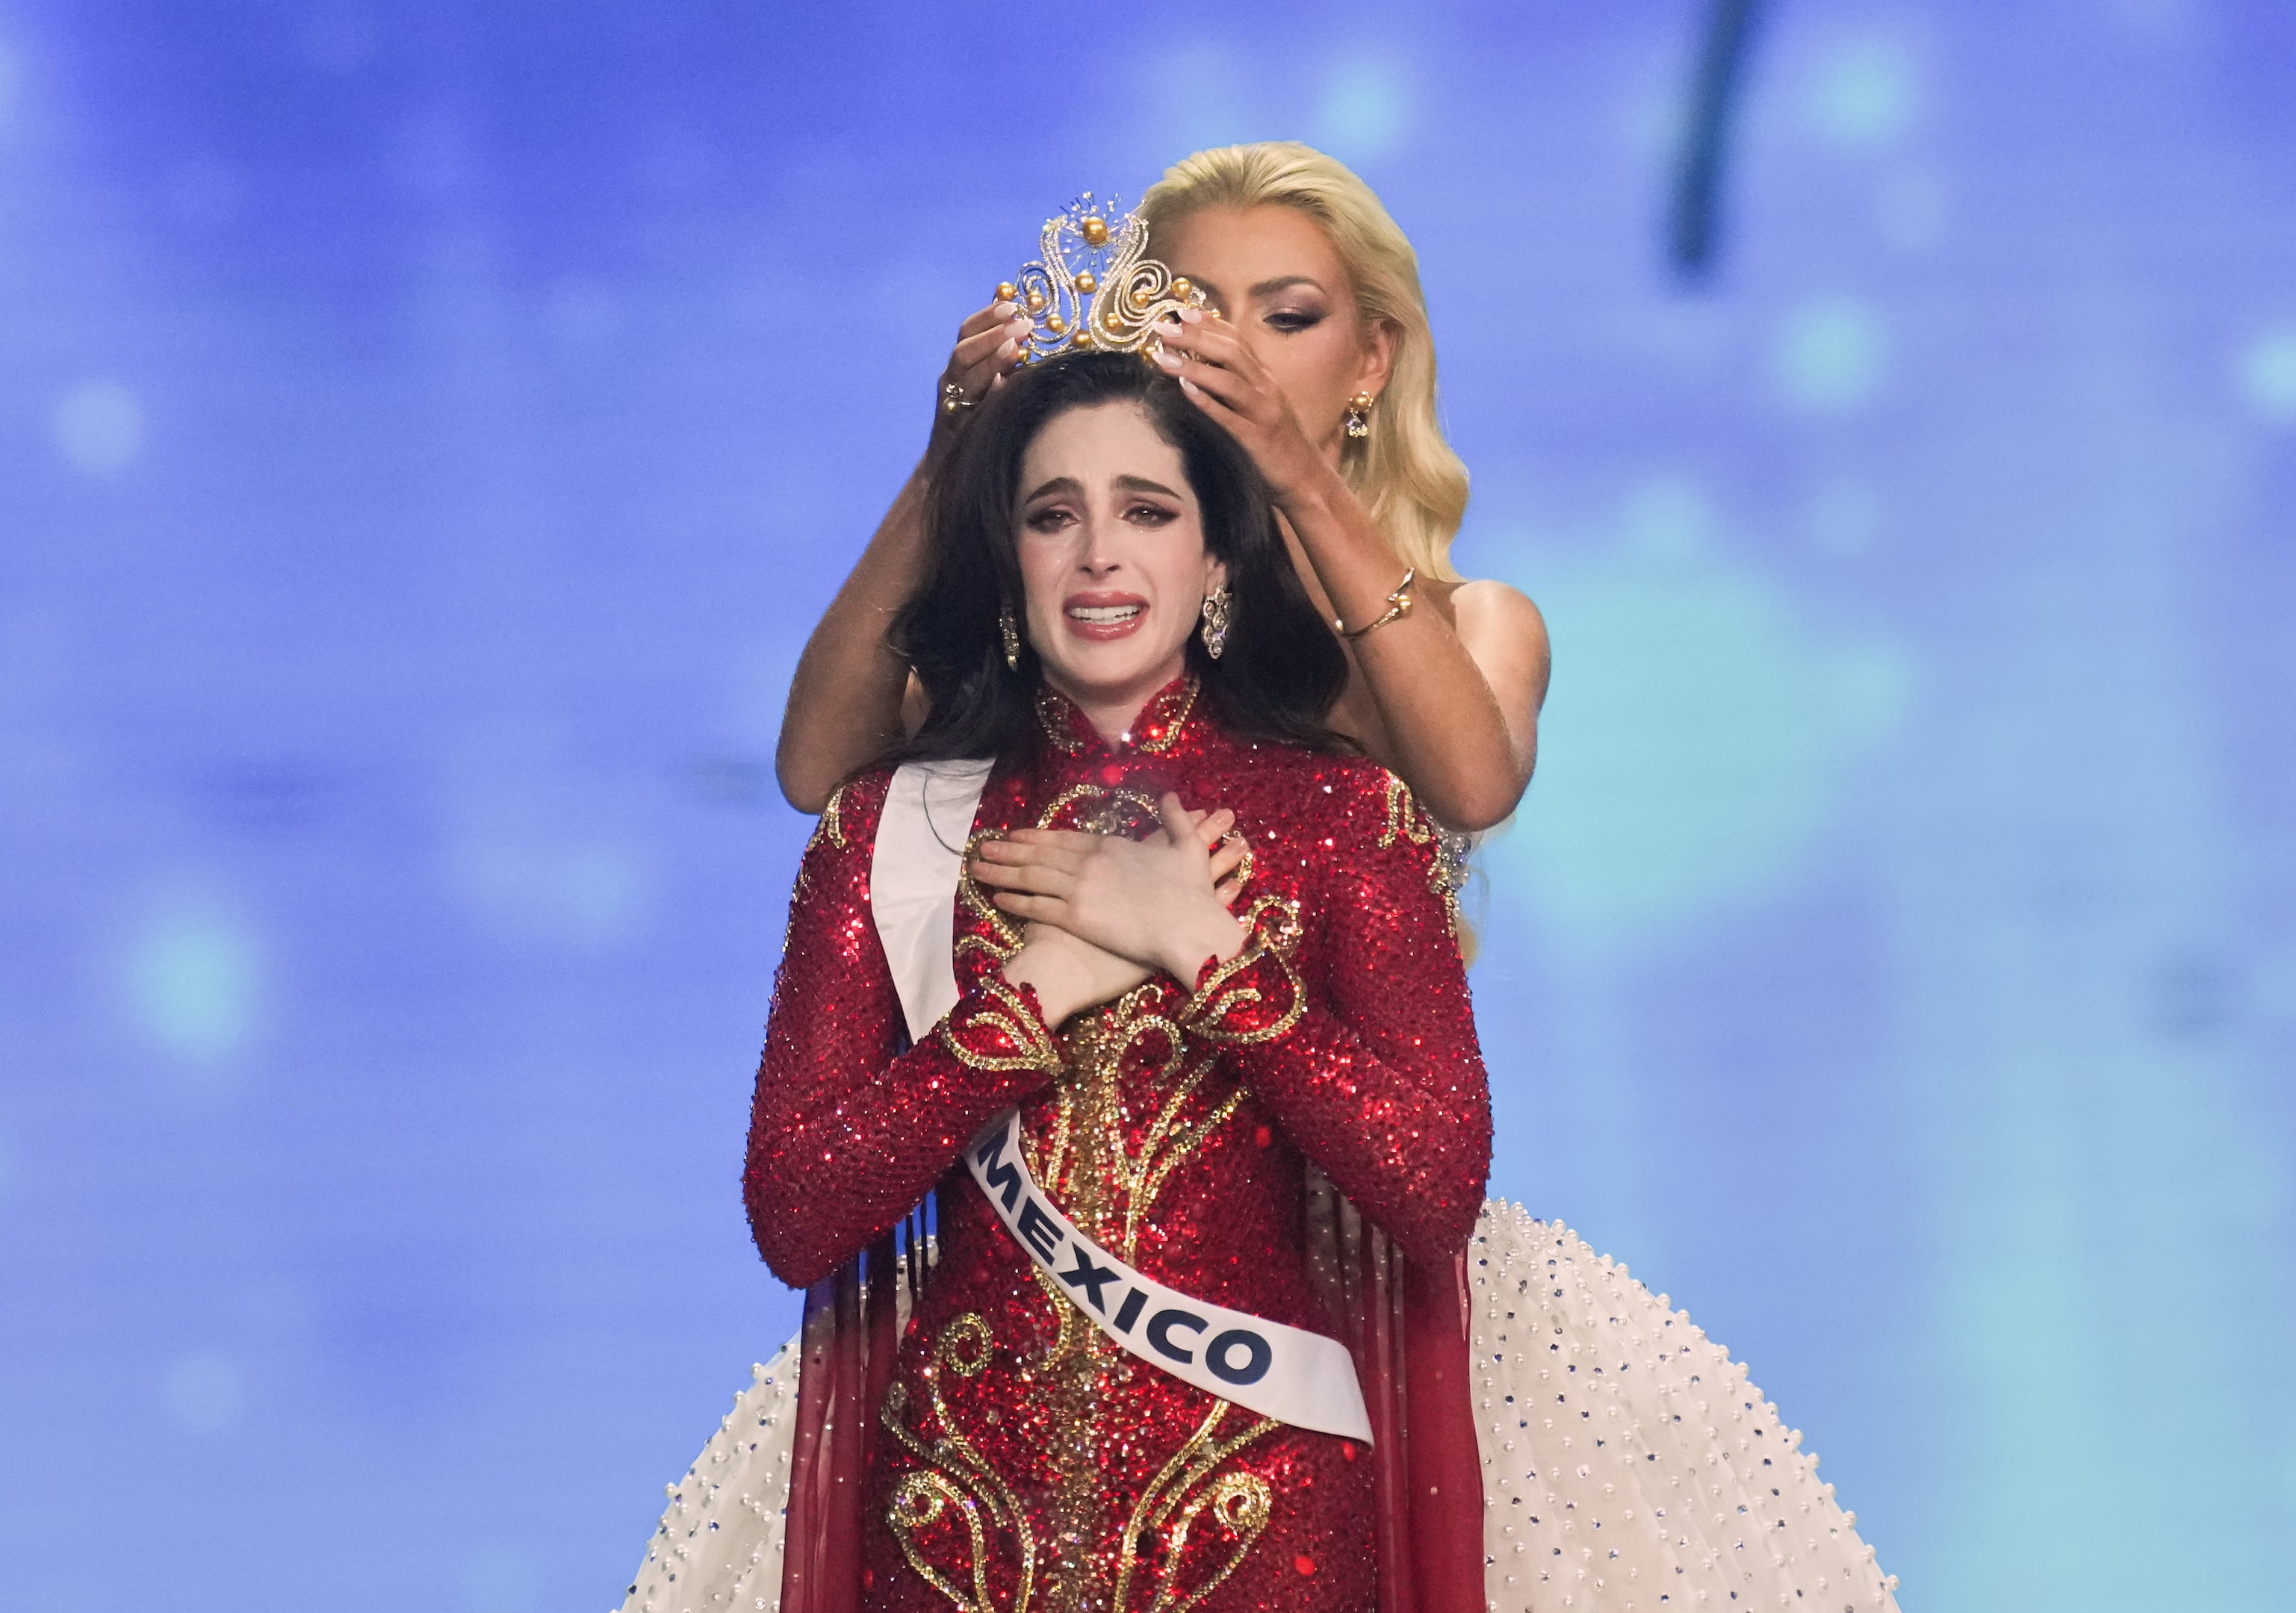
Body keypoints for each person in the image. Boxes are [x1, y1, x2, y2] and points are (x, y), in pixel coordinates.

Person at [618, 213, 1902, 1613]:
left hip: (1262, 1529)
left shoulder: (1344, 817)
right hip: (950, 1536)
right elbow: (797, 1214)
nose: (1099, 556)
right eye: (1052, 515)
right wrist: (1031, 998)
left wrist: (1213, 956)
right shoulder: (899, 826)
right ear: (1007, 563)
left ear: (1220, 562)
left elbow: (1433, 1189)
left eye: (1148, 512)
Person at [774, 143, 1548, 837]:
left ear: (1373, 359)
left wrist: (1301, 483)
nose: (1231, 348)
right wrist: (945, 462)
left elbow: (1473, 790)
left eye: (1286, 318)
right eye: (1187, 313)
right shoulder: (1098, 609)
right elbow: (817, 776)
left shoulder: (1480, 622)